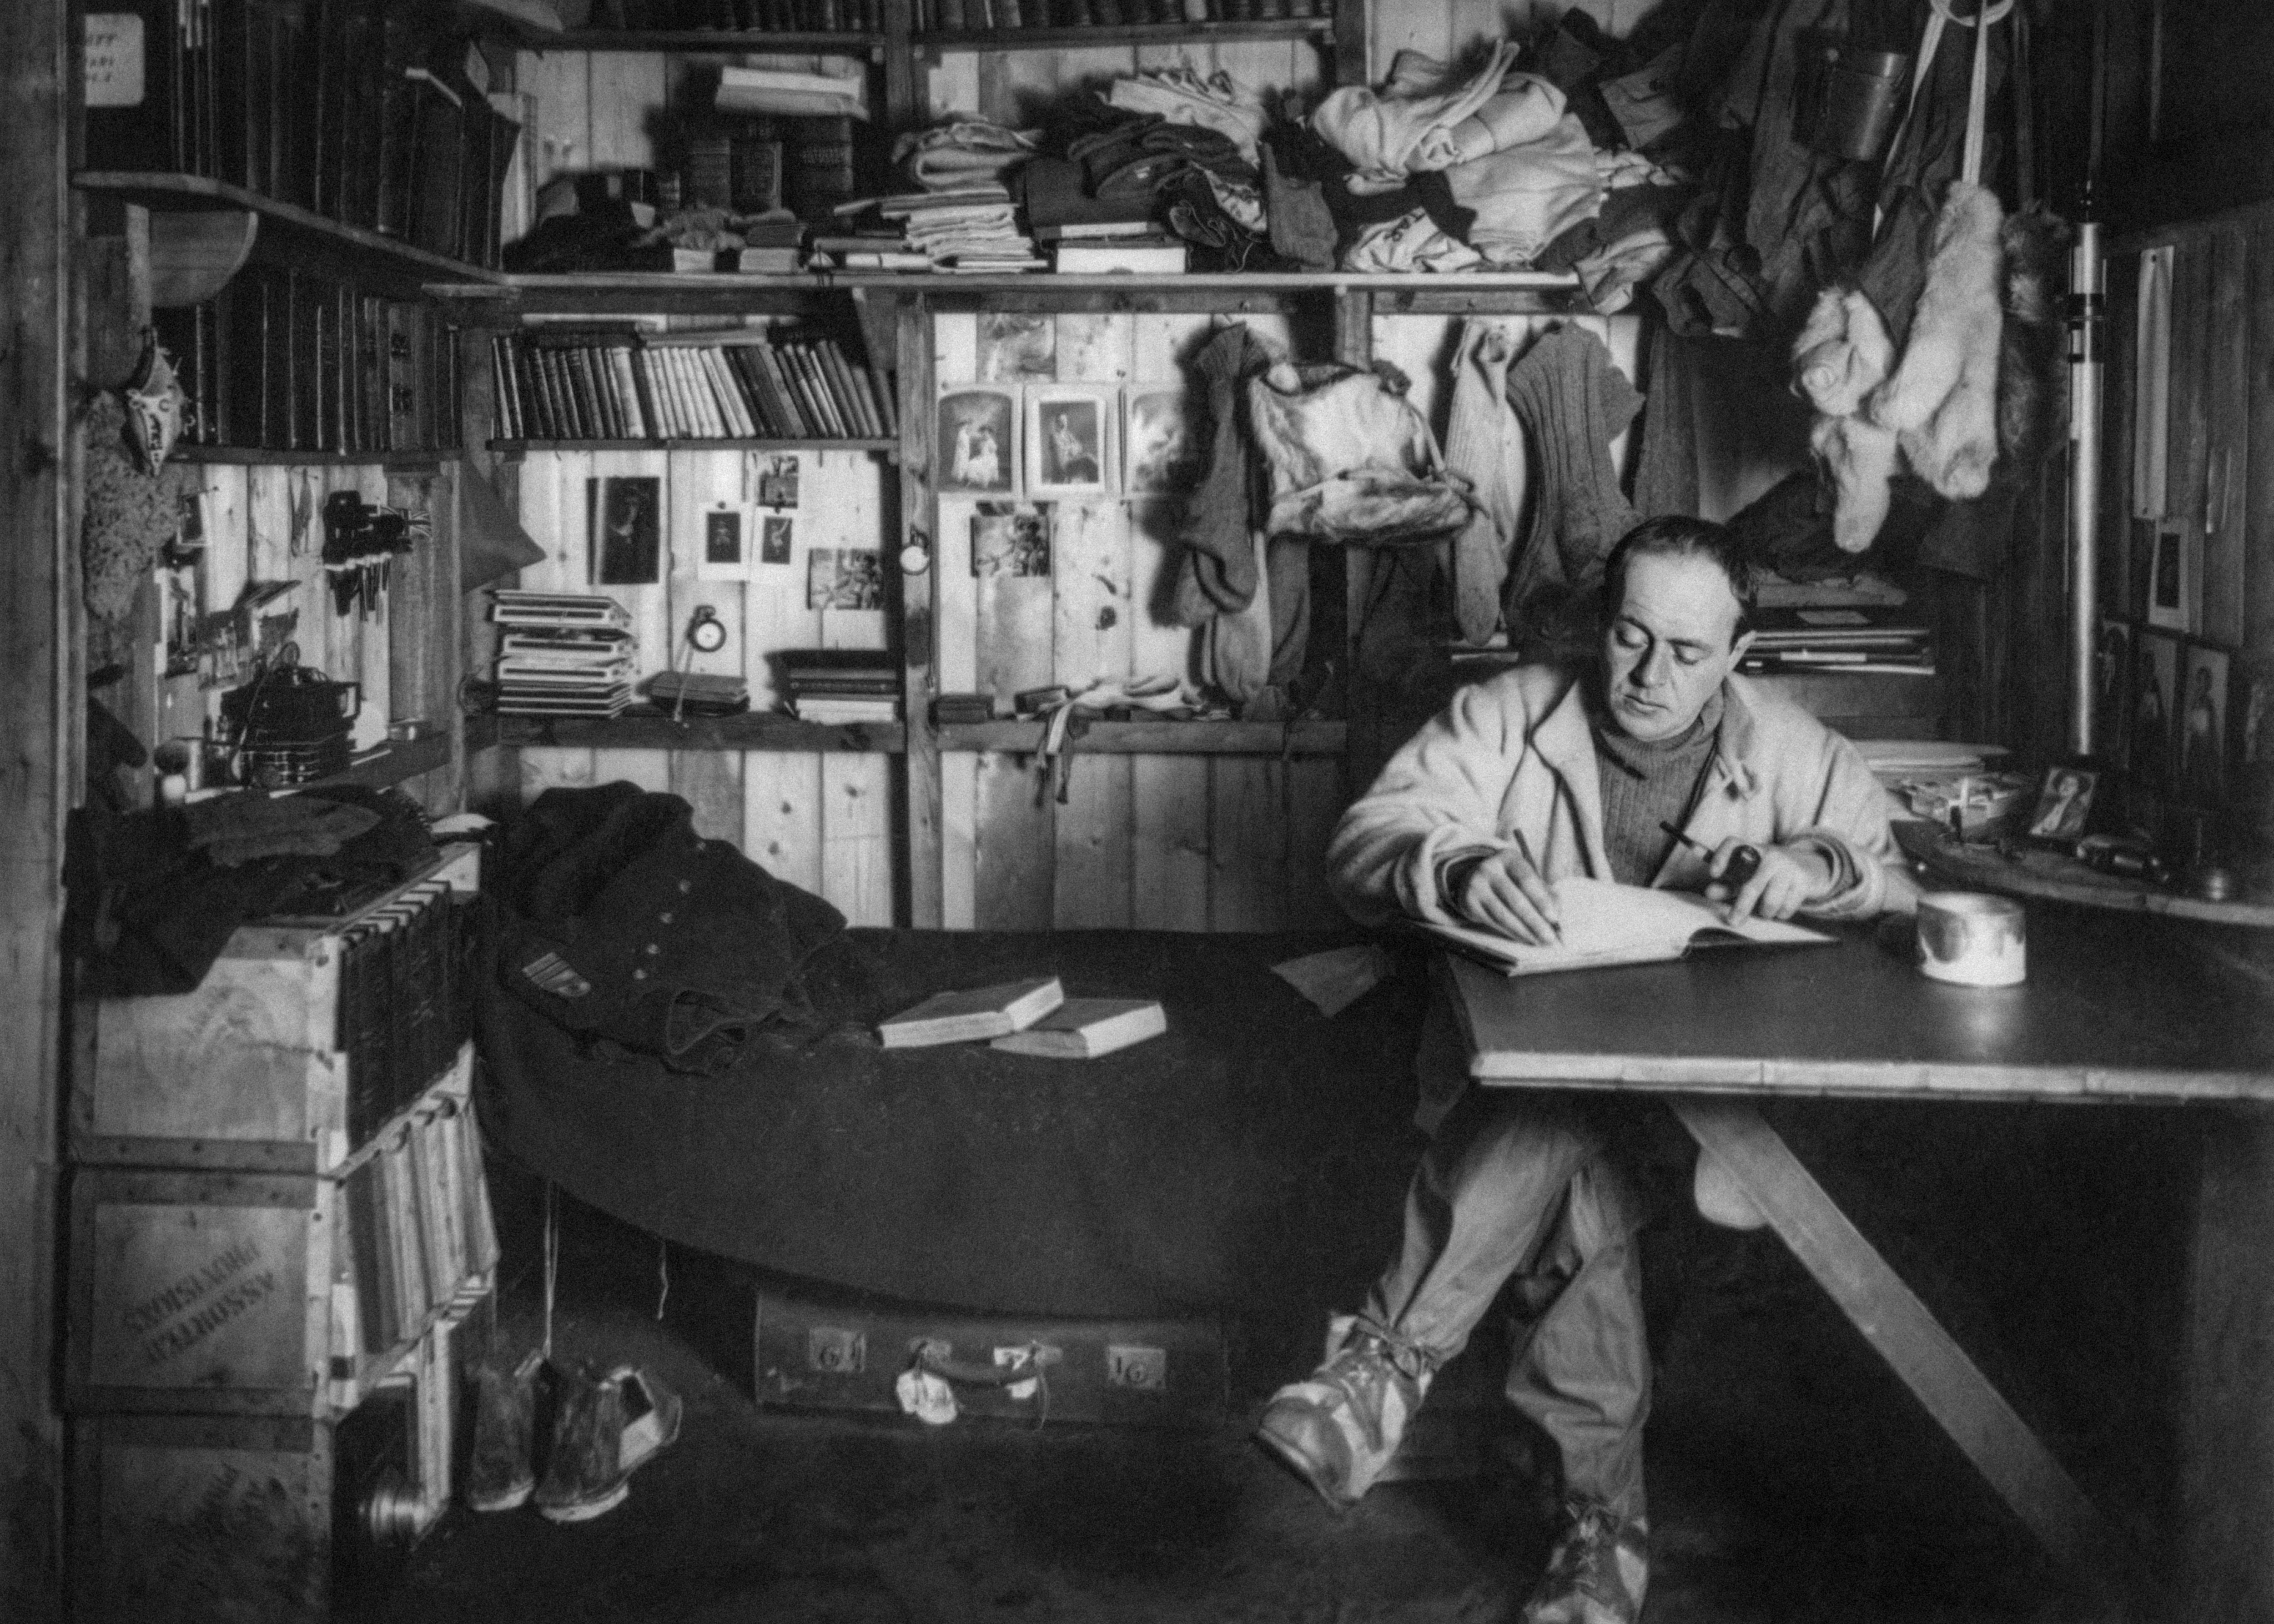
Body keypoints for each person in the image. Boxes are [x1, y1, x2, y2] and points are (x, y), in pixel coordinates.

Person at [1255, 516, 1911, 1624]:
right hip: (1539, 1095)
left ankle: (1384, 1365)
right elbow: (1366, 838)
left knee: (1564, 1126)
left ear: (1739, 653)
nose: (1651, 676)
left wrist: (1816, 864)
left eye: (1689, 653)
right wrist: (1450, 862)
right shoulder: (1509, 712)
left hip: (1708, 1115)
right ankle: (1600, 1534)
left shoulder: (1794, 747)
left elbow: (1892, 880)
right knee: (1578, 1169)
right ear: (1601, 623)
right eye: (1630, 636)